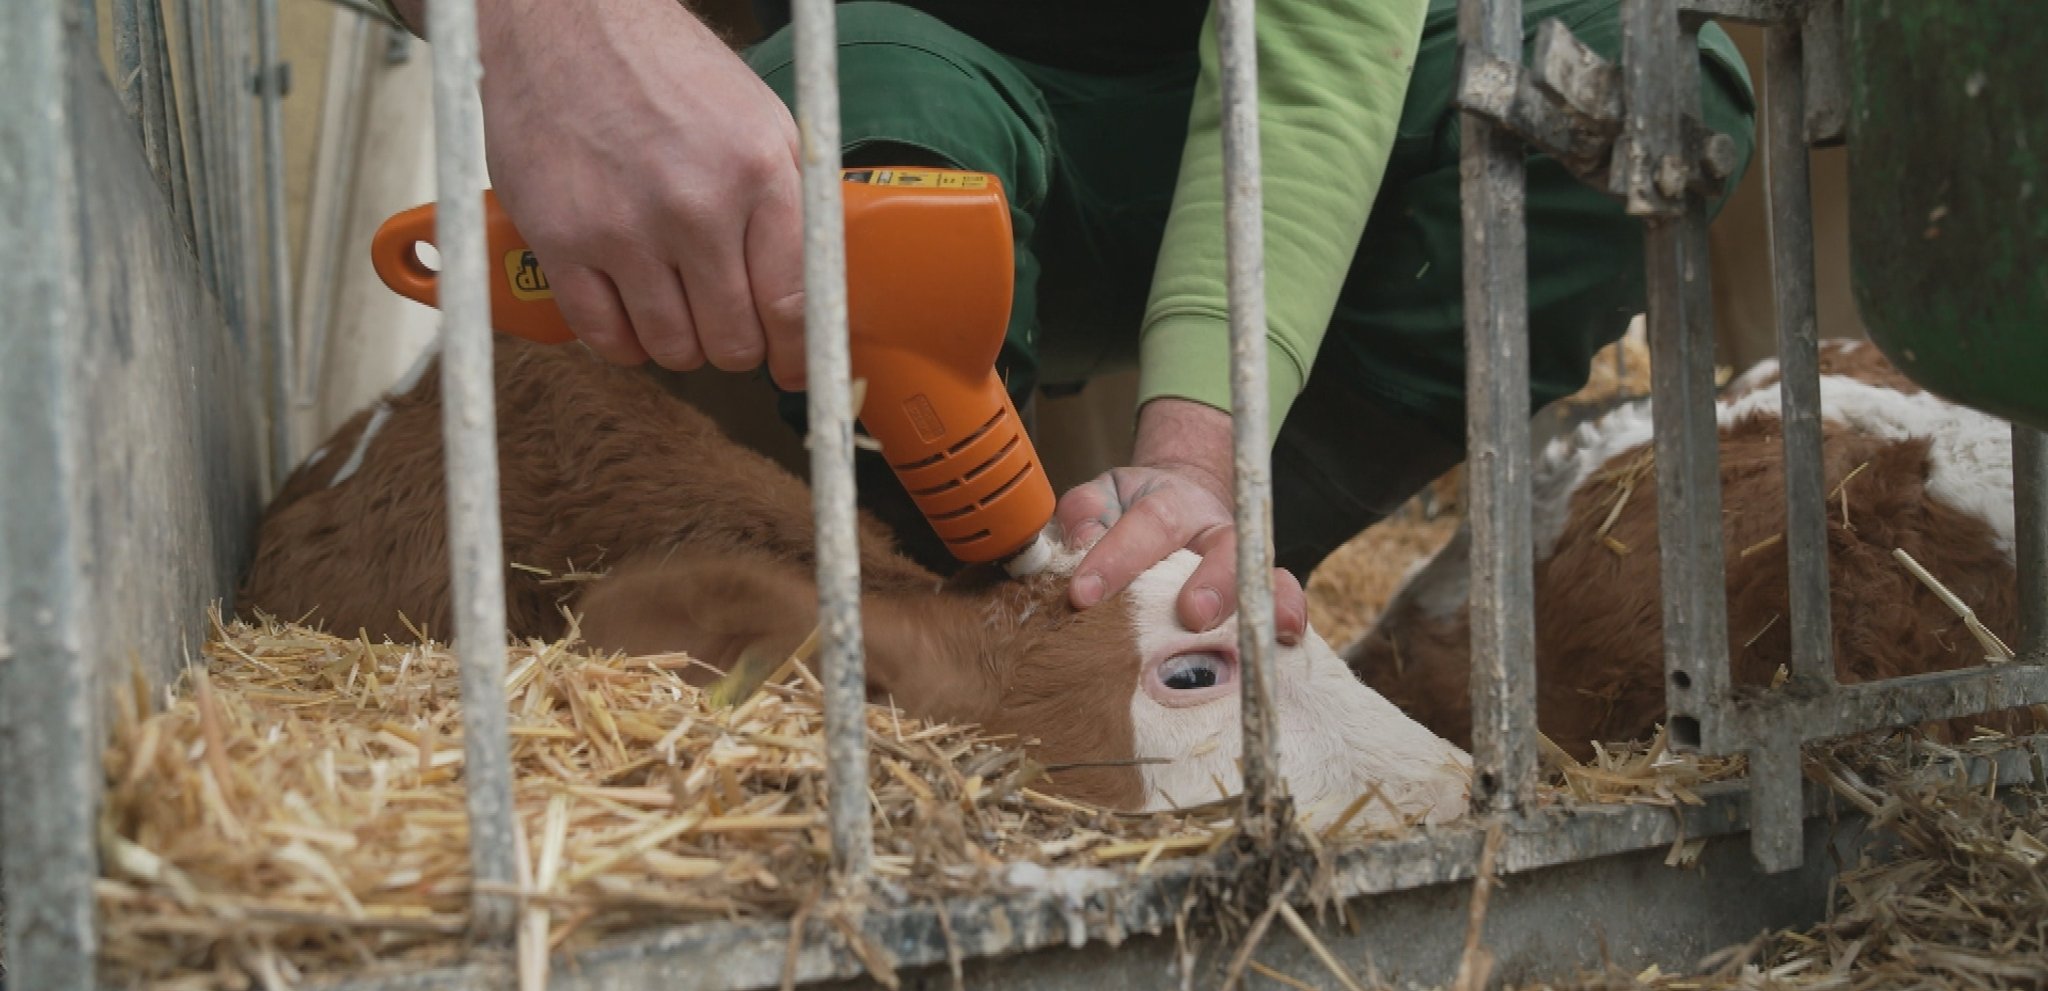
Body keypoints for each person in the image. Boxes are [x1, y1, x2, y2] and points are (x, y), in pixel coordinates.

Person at [378, 0, 1754, 646]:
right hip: (914, 101)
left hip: (1255, 117)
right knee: (867, 80)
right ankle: (933, 616)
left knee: (1651, 79)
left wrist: (1207, 459)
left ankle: (1177, 592)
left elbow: (1322, 43)